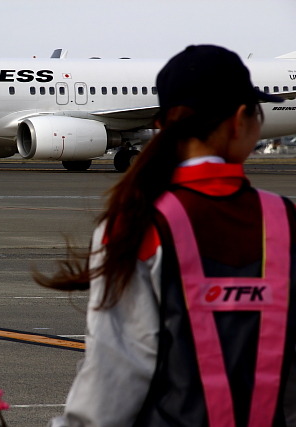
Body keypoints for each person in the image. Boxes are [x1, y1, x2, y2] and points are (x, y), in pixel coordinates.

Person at [37, 45, 296, 426]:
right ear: (243, 121)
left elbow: (115, 376)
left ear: (161, 125)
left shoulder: (135, 223)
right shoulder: (287, 220)